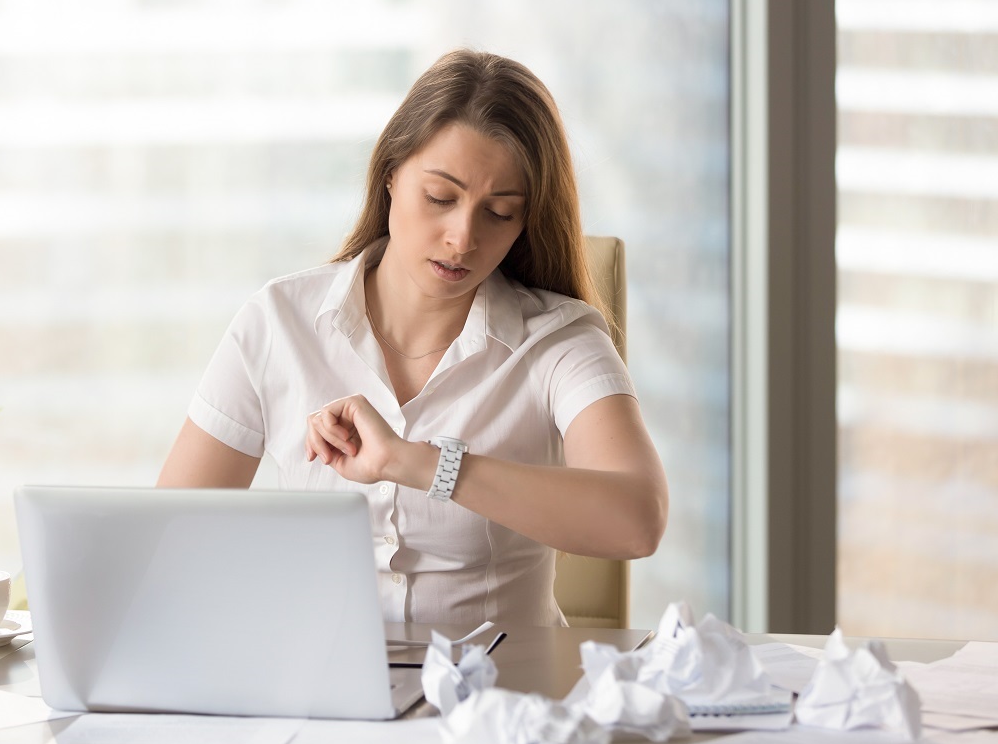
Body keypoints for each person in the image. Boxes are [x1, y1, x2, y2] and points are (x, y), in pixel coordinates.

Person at [158, 49, 667, 627]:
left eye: (499, 212)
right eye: (440, 198)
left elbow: (637, 518)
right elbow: (169, 541)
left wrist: (418, 464)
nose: (462, 237)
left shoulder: (558, 340)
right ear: (391, 174)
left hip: (501, 699)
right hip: (320, 696)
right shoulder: (278, 321)